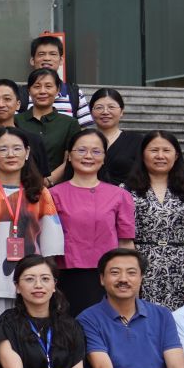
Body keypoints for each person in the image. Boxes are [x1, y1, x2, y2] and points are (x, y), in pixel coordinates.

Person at [0, 127, 65, 327]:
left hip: (33, 284)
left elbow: (50, 245)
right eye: (3, 149)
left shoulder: (40, 192)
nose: (11, 154)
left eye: (17, 148)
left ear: (27, 152)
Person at [49, 129, 134, 314]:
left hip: (109, 275)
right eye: (81, 150)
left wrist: (130, 275)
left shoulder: (120, 195)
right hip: (66, 275)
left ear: (104, 158)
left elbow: (126, 242)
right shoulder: (53, 195)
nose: (88, 156)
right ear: (69, 156)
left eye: (96, 151)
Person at [127, 130, 184, 311]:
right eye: (154, 150)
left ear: (176, 155)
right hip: (143, 265)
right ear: (142, 154)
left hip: (181, 268)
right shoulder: (126, 190)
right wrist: (132, 271)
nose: (160, 156)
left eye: (166, 150)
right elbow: (125, 238)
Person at [18, 68, 80, 164]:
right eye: (37, 86)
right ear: (29, 90)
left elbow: (69, 160)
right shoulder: (16, 121)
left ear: (57, 90)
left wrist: (52, 175)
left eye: (48, 86)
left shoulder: (70, 123)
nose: (42, 91)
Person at [88, 88, 144, 187]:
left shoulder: (136, 141)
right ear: (91, 112)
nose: (105, 112)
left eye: (111, 107)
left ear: (121, 111)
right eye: (99, 107)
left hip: (127, 195)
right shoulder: (83, 140)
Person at [29, 34, 87, 120]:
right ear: (32, 60)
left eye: (53, 54)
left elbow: (84, 127)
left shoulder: (75, 93)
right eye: (41, 54)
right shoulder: (21, 95)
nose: (47, 58)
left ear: (61, 60)